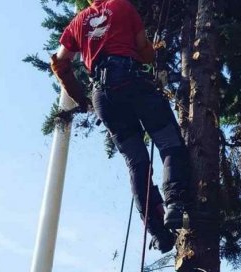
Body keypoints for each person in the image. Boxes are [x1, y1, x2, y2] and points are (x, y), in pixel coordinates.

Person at [50, 0, 191, 253]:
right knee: (169, 143)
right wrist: (153, 51)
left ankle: (159, 232)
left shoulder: (77, 22)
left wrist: (80, 98)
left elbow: (60, 63)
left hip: (103, 97)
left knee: (137, 164)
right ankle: (175, 203)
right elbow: (144, 52)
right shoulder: (123, 7)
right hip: (133, 81)